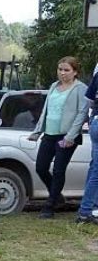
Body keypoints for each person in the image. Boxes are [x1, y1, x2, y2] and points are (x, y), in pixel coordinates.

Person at [28, 56, 89, 218]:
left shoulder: (80, 88)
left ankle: (49, 206)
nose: (62, 73)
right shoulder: (54, 86)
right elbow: (46, 110)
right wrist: (37, 130)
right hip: (49, 133)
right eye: (60, 69)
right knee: (40, 167)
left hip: (67, 136)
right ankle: (57, 197)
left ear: (75, 72)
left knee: (58, 170)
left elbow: (81, 114)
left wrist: (70, 136)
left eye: (66, 70)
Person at [77, 71, 98, 224]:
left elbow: (89, 99)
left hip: (95, 121)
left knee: (94, 167)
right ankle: (85, 211)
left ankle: (90, 208)